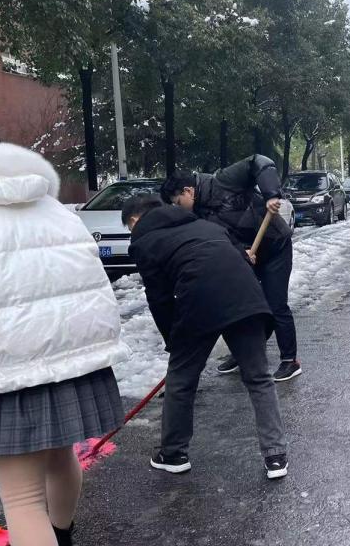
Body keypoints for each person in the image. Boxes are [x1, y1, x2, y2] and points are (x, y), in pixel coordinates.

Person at [0, 123, 128, 546]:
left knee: (20, 498)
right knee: (60, 456)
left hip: (11, 369)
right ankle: (61, 541)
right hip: (78, 358)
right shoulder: (55, 209)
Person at [122, 194, 290, 477]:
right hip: (246, 297)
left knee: (181, 379)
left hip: (197, 301)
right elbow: (240, 257)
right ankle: (276, 456)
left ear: (135, 220)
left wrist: (173, 341)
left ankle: (173, 453)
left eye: (130, 228)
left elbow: (159, 298)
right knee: (259, 377)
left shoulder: (144, 242)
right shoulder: (206, 225)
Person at [160, 155, 300, 382]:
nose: (178, 208)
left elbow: (259, 162)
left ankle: (289, 360)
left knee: (275, 304)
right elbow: (221, 237)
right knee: (242, 306)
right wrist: (241, 252)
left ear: (188, 191)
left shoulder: (223, 181)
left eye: (177, 202)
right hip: (249, 255)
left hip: (275, 247)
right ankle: (244, 352)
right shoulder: (198, 213)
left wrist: (271, 194)